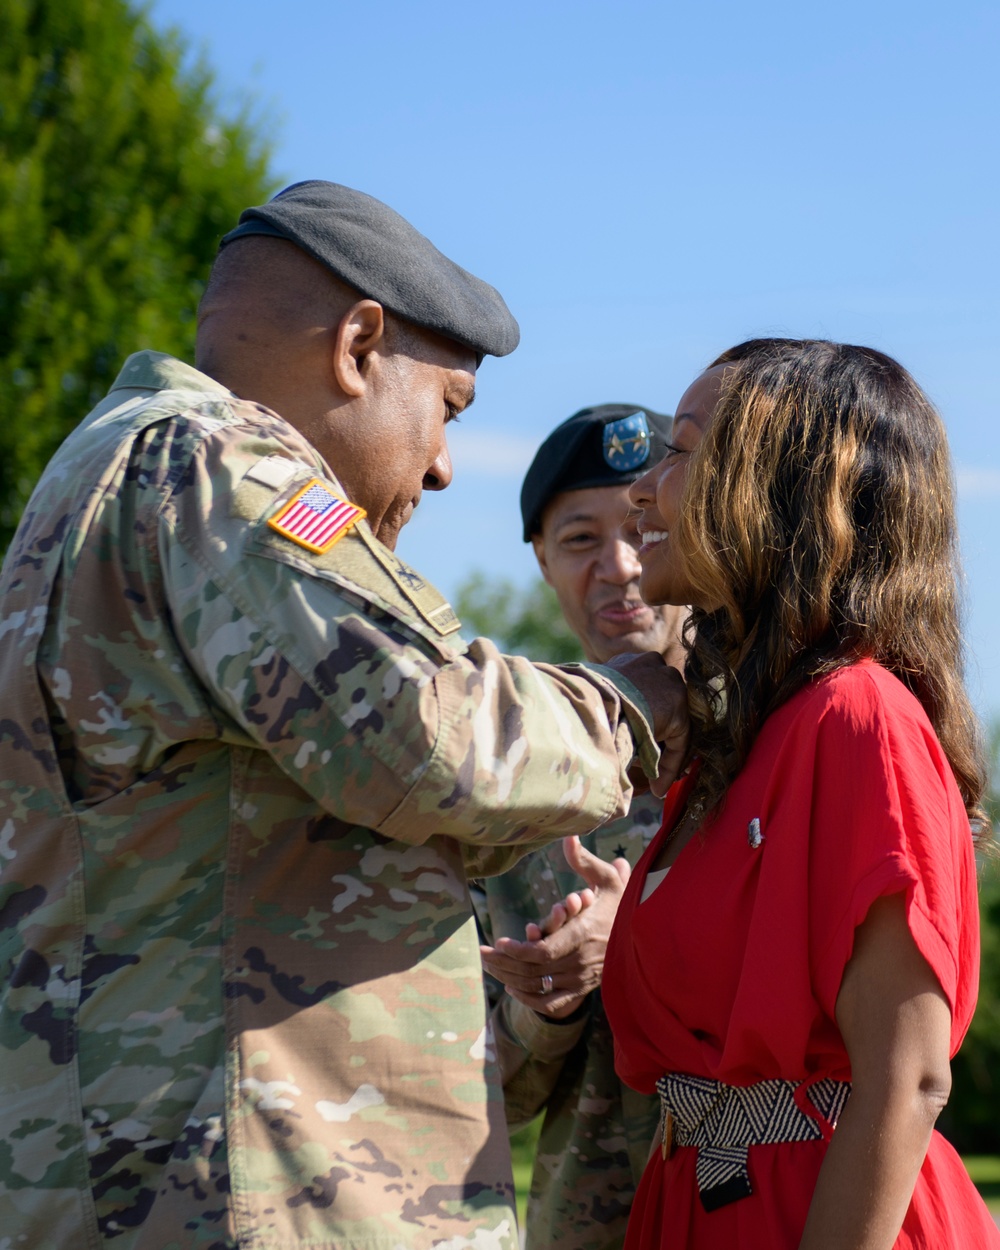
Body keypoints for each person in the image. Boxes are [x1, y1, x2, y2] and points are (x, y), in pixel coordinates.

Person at [0, 181, 689, 1250]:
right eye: (448, 409)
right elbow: (424, 735)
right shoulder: (221, 466)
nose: (444, 466)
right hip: (251, 1192)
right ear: (360, 345)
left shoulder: (108, 472)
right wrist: (633, 705)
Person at [601, 338, 999, 1249]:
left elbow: (906, 1081)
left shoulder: (859, 719)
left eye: (681, 450)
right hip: (706, 1208)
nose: (641, 489)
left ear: (781, 487)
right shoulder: (734, 744)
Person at [474, 403, 688, 1250]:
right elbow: (497, 1094)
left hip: (764, 1214)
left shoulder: (784, 732)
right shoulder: (506, 774)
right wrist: (549, 1007)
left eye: (643, 525)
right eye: (579, 540)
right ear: (540, 561)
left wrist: (641, 927)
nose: (620, 567)